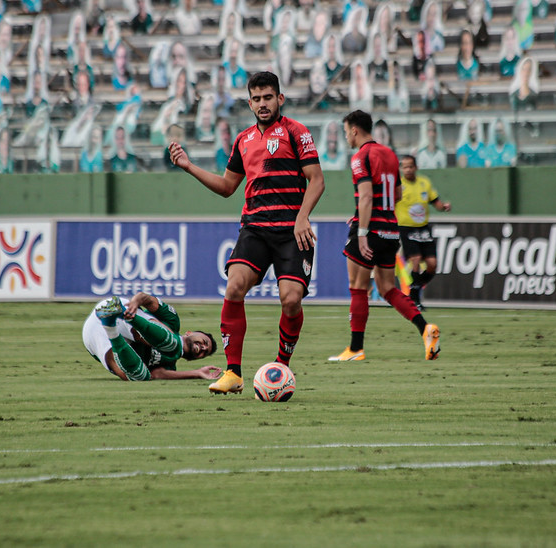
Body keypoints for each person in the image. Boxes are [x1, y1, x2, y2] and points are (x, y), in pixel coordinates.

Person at [168, 71, 325, 394]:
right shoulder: (243, 140)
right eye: (257, 99)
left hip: (291, 232)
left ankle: (281, 366)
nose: (263, 104)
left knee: (291, 299)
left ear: (280, 98)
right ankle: (233, 373)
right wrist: (189, 167)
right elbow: (227, 187)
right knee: (235, 286)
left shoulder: (297, 132)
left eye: (269, 97)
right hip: (255, 229)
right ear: (250, 102)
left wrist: (302, 217)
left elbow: (317, 179)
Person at [328, 110, 440, 362]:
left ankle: (355, 349)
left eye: (346, 131)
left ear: (355, 130)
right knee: (388, 288)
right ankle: (425, 329)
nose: (346, 136)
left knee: (357, 287)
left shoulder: (360, 157)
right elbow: (397, 195)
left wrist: (363, 231)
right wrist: (360, 214)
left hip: (370, 230)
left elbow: (367, 196)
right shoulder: (389, 154)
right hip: (391, 230)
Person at [85, 293, 220, 381]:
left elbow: (157, 375)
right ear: (189, 332)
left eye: (205, 352)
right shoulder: (173, 320)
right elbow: (147, 299)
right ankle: (121, 313)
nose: (203, 347)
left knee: (139, 377)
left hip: (95, 335)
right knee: (173, 345)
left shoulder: (169, 365)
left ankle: (109, 326)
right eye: (205, 342)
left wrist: (198, 373)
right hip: (123, 312)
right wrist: (135, 302)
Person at [396, 155, 451, 310]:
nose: (407, 170)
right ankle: (414, 299)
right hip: (406, 228)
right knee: (416, 259)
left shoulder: (424, 183)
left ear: (416, 167)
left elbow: (435, 202)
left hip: (423, 228)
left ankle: (415, 287)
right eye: (404, 167)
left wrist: (443, 207)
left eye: (410, 166)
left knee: (432, 265)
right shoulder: (398, 185)